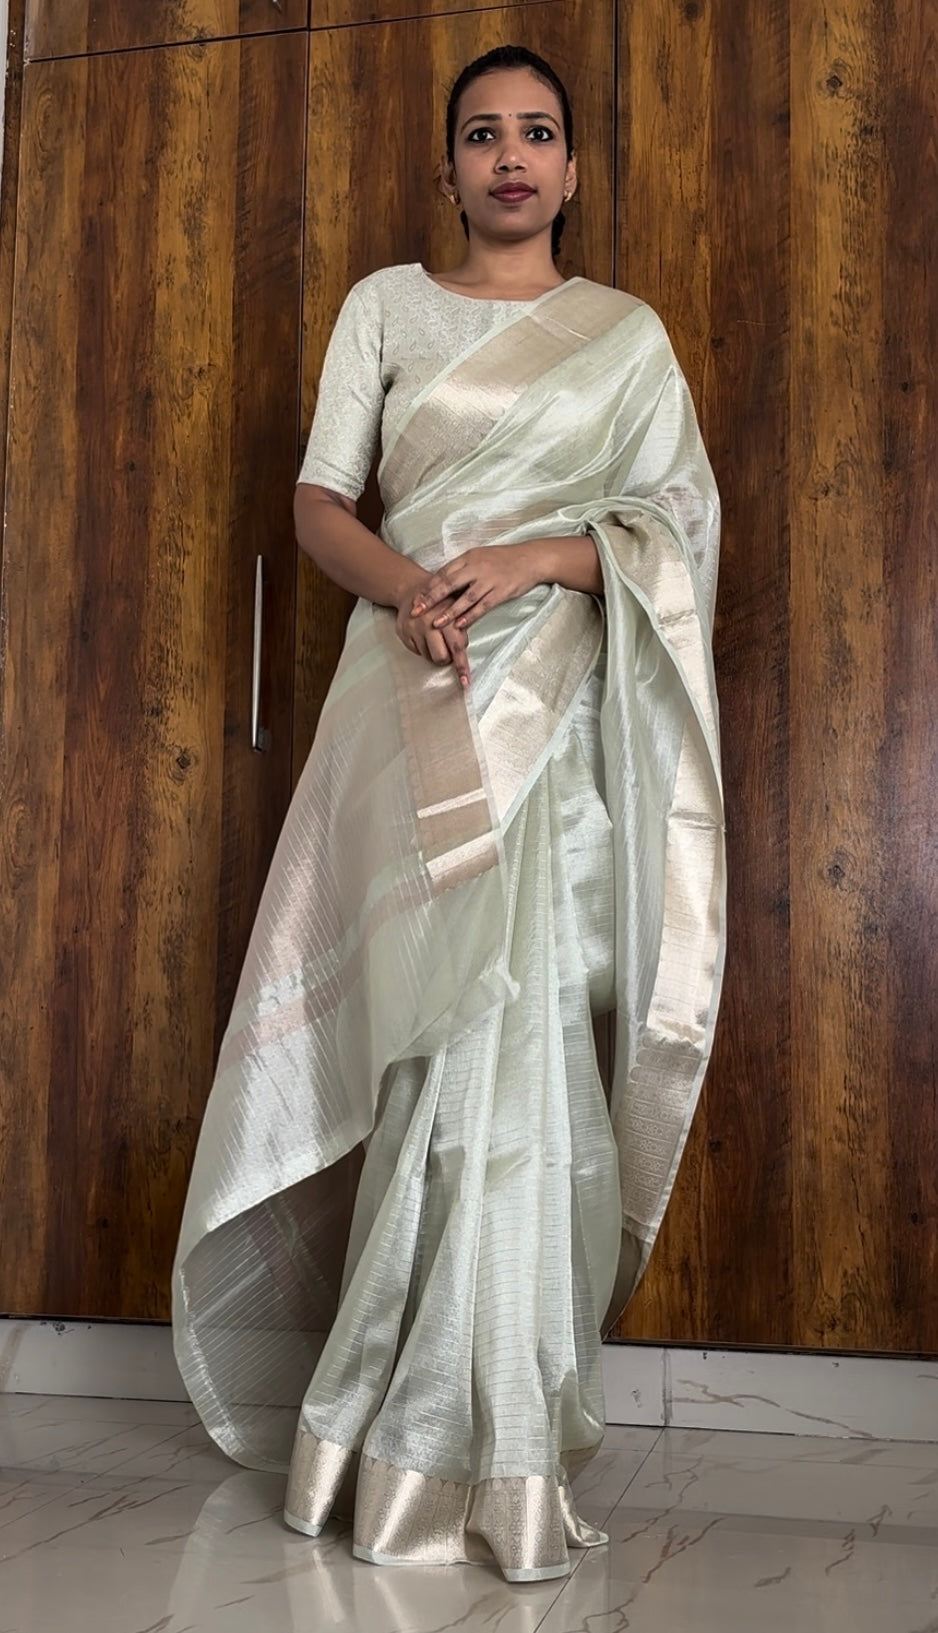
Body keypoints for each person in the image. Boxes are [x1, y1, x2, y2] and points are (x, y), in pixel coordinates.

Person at [172, 43, 726, 1584]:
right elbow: (318, 503)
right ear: (447, 166)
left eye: (536, 133)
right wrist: (414, 587)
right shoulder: (382, 309)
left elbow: (676, 528)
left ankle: (489, 1431)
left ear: (572, 168)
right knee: (425, 1036)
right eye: (482, 134)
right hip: (409, 694)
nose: (510, 157)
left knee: (518, 1040)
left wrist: (536, 558)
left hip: (549, 721)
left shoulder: (623, 338)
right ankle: (398, 1419)